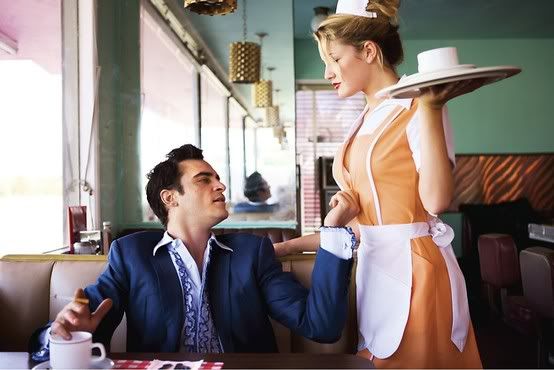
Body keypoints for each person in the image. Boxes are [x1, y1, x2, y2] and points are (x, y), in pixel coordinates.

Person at [274, 0, 482, 368]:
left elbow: (436, 200)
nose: (328, 72)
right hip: (373, 272)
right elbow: (360, 227)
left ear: (368, 51)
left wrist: (432, 108)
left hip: (415, 273)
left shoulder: (422, 104)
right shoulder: (365, 118)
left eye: (334, 59)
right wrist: (284, 247)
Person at [30, 144, 358, 358]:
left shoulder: (251, 253)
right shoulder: (131, 255)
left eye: (217, 178)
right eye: (204, 180)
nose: (221, 186)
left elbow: (321, 326)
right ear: (170, 198)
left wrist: (332, 229)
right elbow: (88, 319)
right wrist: (59, 334)